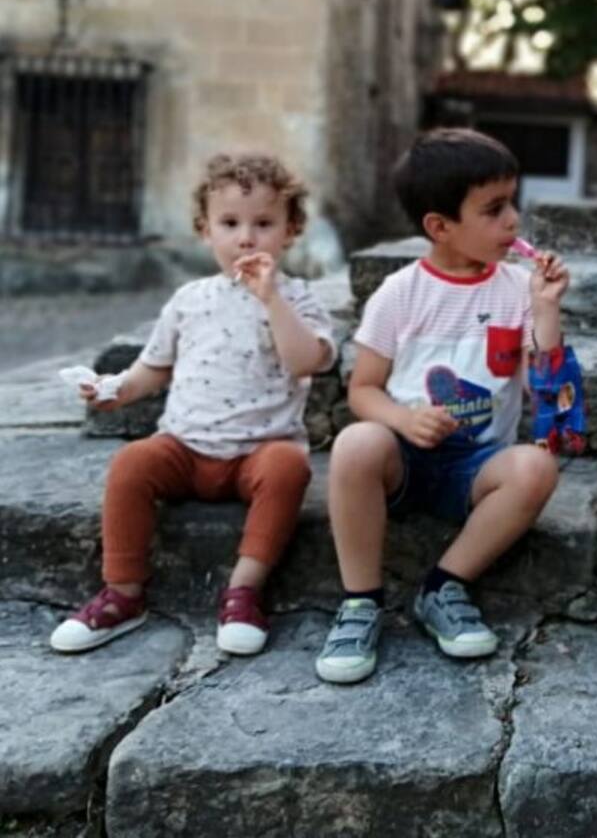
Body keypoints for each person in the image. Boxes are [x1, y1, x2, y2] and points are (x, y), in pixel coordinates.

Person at [50, 153, 335, 656]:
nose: (246, 237)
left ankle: (244, 590)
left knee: (290, 469)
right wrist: (114, 389)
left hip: (258, 452)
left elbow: (306, 361)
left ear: (291, 231)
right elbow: (154, 366)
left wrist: (272, 301)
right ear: (206, 231)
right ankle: (123, 592)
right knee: (131, 463)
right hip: (184, 446)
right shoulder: (189, 299)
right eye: (230, 223)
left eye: (263, 224)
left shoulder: (299, 299)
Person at [315, 128, 565, 684]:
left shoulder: (517, 289)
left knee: (536, 467)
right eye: (494, 209)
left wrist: (545, 311)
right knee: (356, 442)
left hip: (475, 469)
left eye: (512, 203)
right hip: (401, 459)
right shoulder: (399, 294)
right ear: (439, 227)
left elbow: (545, 392)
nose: (513, 221)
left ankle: (443, 586)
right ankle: (360, 601)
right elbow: (362, 391)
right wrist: (404, 419)